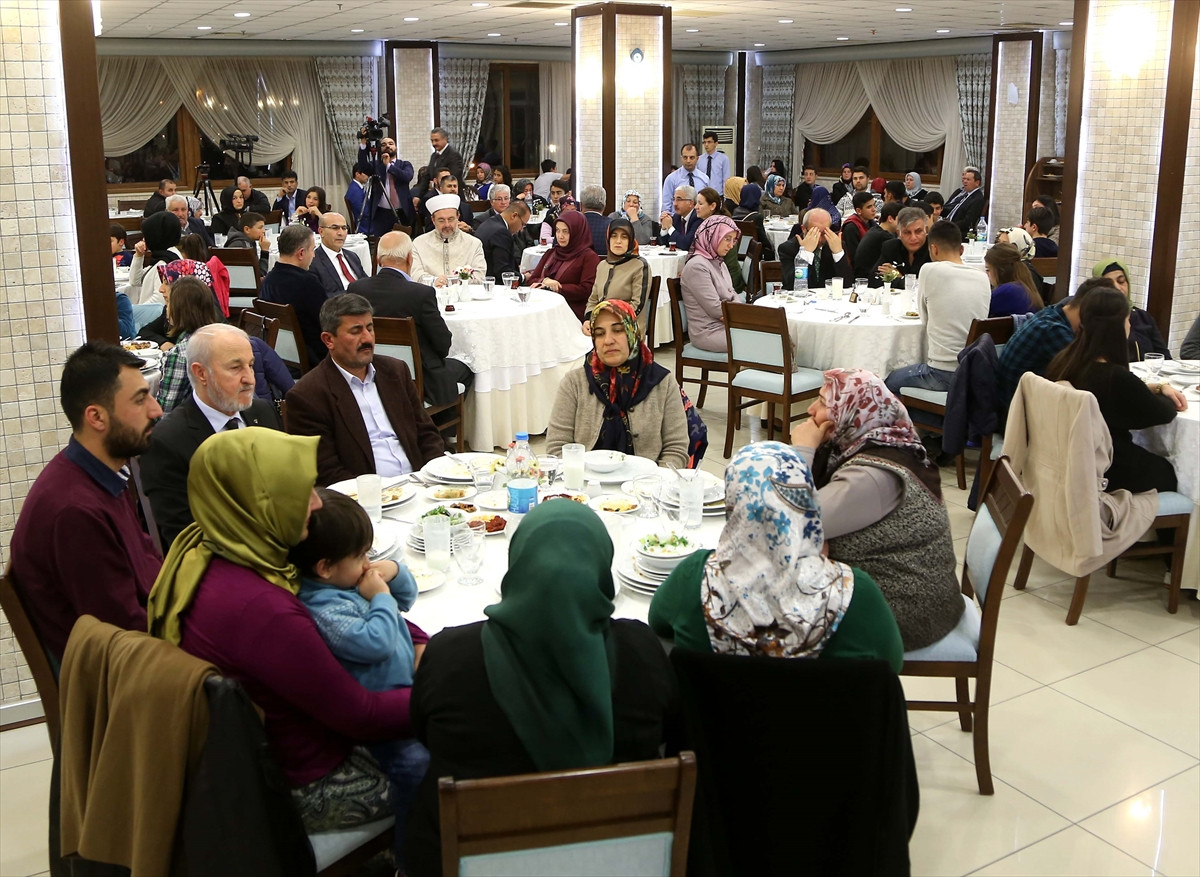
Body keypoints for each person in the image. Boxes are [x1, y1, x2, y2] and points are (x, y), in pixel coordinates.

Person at [146, 428, 418, 836]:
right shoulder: (260, 606)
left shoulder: (224, 547)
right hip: (302, 782)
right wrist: (438, 689)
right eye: (301, 491)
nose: (315, 503)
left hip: (273, 749)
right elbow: (360, 715)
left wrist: (417, 640)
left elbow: (344, 609)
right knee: (454, 756)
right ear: (259, 499)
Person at [405, 499, 678, 877]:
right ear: (601, 572)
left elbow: (422, 734)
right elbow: (668, 730)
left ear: (517, 567)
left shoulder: (450, 656)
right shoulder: (643, 653)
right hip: (617, 861)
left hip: (478, 863)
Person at [649, 442, 903, 669]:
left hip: (713, 710)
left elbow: (657, 624)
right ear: (808, 502)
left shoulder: (694, 579)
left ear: (734, 504)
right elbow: (892, 664)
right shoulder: (856, 594)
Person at [293, 489, 428, 867]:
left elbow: (407, 599)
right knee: (416, 768)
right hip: (382, 724)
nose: (368, 564)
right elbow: (376, 644)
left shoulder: (346, 581)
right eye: (360, 557)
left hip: (402, 695)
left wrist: (394, 572)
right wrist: (380, 596)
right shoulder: (323, 608)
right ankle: (409, 858)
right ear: (325, 567)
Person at [790, 368, 964, 652]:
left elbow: (792, 521)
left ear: (851, 413)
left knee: (763, 612)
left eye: (822, 403)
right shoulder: (880, 442)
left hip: (903, 612)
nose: (811, 410)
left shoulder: (872, 475)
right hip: (900, 592)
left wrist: (803, 451)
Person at [9, 342, 163, 661]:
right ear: (96, 417)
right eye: (140, 399)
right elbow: (126, 637)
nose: (156, 410)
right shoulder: (74, 511)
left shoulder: (102, 474)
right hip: (123, 678)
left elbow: (147, 561)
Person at [140, 323, 283, 548]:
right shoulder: (168, 442)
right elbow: (186, 538)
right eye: (235, 368)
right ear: (201, 373)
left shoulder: (262, 412)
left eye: (251, 365)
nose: (250, 379)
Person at [285, 294, 445, 485]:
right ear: (329, 340)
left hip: (420, 483)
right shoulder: (308, 395)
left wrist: (436, 477)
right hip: (365, 495)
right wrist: (380, 494)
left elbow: (427, 433)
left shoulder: (395, 371)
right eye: (356, 331)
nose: (367, 338)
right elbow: (326, 471)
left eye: (370, 328)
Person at [1046, 288, 1186, 493]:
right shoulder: (1115, 378)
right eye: (1128, 320)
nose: (1130, 325)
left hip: (1070, 461)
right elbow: (1163, 413)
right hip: (1109, 468)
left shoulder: (1065, 361)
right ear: (1117, 327)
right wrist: (1162, 389)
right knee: (1176, 473)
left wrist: (1152, 387)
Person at [548, 298, 688, 466]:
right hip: (585, 479)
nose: (608, 340)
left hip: (647, 480)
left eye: (618, 330)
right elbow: (557, 447)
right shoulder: (574, 383)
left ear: (632, 333)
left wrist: (655, 478)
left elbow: (676, 449)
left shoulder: (662, 382)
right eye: (600, 333)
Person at [347, 231, 474, 407]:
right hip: (418, 378)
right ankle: (441, 422)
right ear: (409, 258)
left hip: (369, 369)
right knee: (468, 369)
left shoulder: (356, 288)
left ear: (378, 260)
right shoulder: (420, 293)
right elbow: (443, 344)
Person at [884, 220, 991, 397]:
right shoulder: (983, 277)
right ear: (962, 249)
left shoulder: (929, 270)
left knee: (886, 379)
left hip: (942, 373)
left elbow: (924, 319)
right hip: (972, 371)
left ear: (933, 249)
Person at [996, 276, 1115, 420]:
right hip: (1018, 419)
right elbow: (1091, 378)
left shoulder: (1053, 313)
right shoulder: (1054, 331)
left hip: (1017, 407)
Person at [259, 224, 329, 368]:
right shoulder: (307, 283)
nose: (314, 255)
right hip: (314, 359)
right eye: (312, 249)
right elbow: (327, 323)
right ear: (301, 253)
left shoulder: (268, 280)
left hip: (280, 356)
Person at [156, 275, 226, 413]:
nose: (166, 308)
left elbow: (165, 411)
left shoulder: (180, 354)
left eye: (168, 303)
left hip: (196, 422)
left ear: (178, 309)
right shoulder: (225, 339)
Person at [678, 214, 741, 352]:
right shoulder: (697, 266)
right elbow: (715, 308)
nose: (731, 245)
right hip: (708, 332)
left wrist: (736, 313)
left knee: (771, 334)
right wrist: (736, 313)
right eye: (727, 239)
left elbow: (733, 293)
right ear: (712, 235)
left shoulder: (719, 262)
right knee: (763, 340)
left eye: (733, 240)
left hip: (728, 325)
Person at [522, 210, 599, 321]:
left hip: (570, 311)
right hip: (544, 307)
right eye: (557, 231)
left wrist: (558, 287)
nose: (560, 236)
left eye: (565, 231)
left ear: (577, 232)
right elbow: (532, 279)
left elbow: (587, 289)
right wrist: (545, 281)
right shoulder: (551, 253)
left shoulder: (588, 257)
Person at [1091, 258, 1172, 361]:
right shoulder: (1093, 319)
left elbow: (1164, 357)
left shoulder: (1143, 317)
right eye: (1109, 284)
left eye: (1121, 281)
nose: (1117, 288)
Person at [582, 219, 651, 328]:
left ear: (630, 240)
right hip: (601, 325)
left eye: (624, 237)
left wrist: (607, 321)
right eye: (614, 236)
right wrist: (588, 320)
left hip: (627, 327)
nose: (618, 241)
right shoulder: (602, 266)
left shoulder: (639, 265)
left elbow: (637, 305)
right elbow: (593, 299)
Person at [409, 193, 486, 287]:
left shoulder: (473, 243)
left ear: (458, 217)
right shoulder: (419, 243)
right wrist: (434, 281)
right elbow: (415, 274)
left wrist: (455, 281)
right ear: (433, 220)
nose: (447, 225)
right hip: (431, 293)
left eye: (451, 219)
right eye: (441, 220)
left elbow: (479, 276)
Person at [778, 208, 854, 292]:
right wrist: (805, 254)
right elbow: (790, 285)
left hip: (828, 297)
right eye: (815, 233)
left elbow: (847, 284)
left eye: (824, 233)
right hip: (801, 297)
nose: (819, 239)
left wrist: (838, 254)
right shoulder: (788, 248)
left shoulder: (835, 245)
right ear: (803, 229)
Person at [696, 186, 747, 294]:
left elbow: (727, 264)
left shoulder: (721, 227)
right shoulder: (707, 224)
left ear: (712, 206)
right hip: (715, 276)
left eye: (700, 203)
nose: (696, 207)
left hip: (729, 284)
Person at [127, 211, 183, 306]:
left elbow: (159, 302)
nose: (144, 239)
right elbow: (135, 281)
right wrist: (139, 256)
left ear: (156, 235)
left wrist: (136, 311)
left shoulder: (166, 263)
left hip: (151, 314)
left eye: (147, 235)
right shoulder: (164, 256)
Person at [308, 212, 367, 298]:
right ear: (321, 231)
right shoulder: (313, 261)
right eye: (335, 228)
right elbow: (320, 297)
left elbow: (366, 282)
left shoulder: (352, 256)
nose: (341, 233)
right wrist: (353, 293)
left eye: (344, 228)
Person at [871, 206, 930, 288]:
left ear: (926, 230)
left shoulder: (934, 250)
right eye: (907, 232)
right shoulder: (891, 247)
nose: (913, 237)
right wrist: (905, 281)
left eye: (918, 231)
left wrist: (898, 276)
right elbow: (874, 280)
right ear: (899, 233)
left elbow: (931, 285)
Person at [984, 242, 1043, 317]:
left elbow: (981, 314)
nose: (986, 274)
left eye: (988, 270)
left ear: (1001, 271)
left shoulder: (1006, 291)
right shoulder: (1024, 285)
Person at [475, 199, 529, 280]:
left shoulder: (489, 222)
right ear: (514, 216)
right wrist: (523, 277)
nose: (521, 229)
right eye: (522, 224)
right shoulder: (501, 232)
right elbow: (502, 270)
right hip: (493, 283)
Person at [854, 201, 900, 281]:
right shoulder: (885, 237)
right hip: (867, 280)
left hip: (861, 277)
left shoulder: (874, 230)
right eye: (901, 220)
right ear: (890, 219)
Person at [661, 143, 710, 212]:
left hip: (700, 217)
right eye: (685, 157)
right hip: (677, 217)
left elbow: (707, 202)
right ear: (681, 158)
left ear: (697, 158)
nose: (688, 161)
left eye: (691, 157)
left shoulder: (704, 179)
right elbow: (666, 206)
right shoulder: (671, 179)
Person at [220, 210, 271, 277]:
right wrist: (264, 251)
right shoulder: (241, 246)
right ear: (247, 229)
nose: (264, 231)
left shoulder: (248, 241)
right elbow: (259, 275)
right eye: (260, 228)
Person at [942, 166, 986, 241]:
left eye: (968, 179)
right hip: (949, 224)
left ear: (977, 183)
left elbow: (968, 222)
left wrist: (949, 225)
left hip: (959, 232)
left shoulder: (977, 199)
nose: (964, 181)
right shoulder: (966, 194)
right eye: (964, 179)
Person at [839, 192, 877, 272]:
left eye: (874, 205)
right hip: (856, 271)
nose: (874, 209)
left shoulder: (872, 224)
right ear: (859, 211)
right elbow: (854, 257)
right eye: (869, 207)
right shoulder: (851, 228)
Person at [700, 130, 730, 195]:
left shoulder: (723, 159)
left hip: (718, 194)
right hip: (702, 194)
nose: (706, 145)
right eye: (704, 142)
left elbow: (725, 179)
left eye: (709, 142)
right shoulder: (699, 159)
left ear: (716, 143)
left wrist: (725, 196)